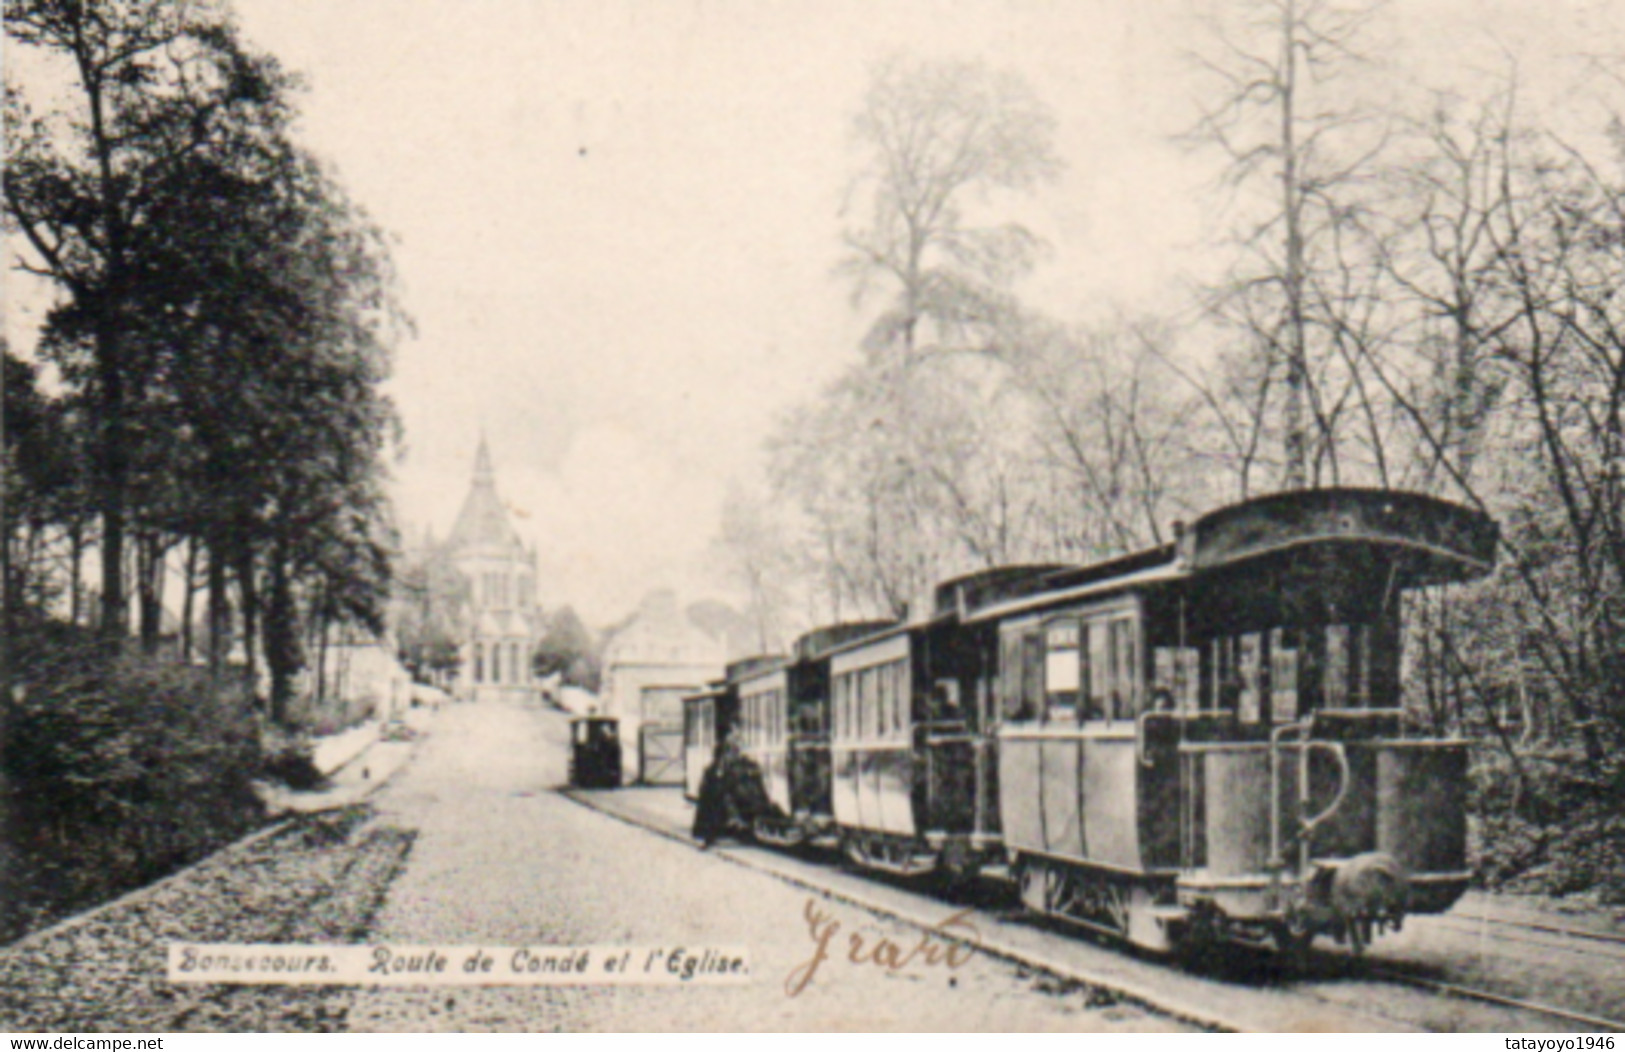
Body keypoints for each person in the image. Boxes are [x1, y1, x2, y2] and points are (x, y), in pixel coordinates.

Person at [691, 730, 771, 849]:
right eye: (734, 748)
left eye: (738, 747)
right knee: (723, 794)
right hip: (724, 797)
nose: (737, 751)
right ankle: (725, 825)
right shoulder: (718, 766)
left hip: (742, 794)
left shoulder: (745, 763)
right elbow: (715, 786)